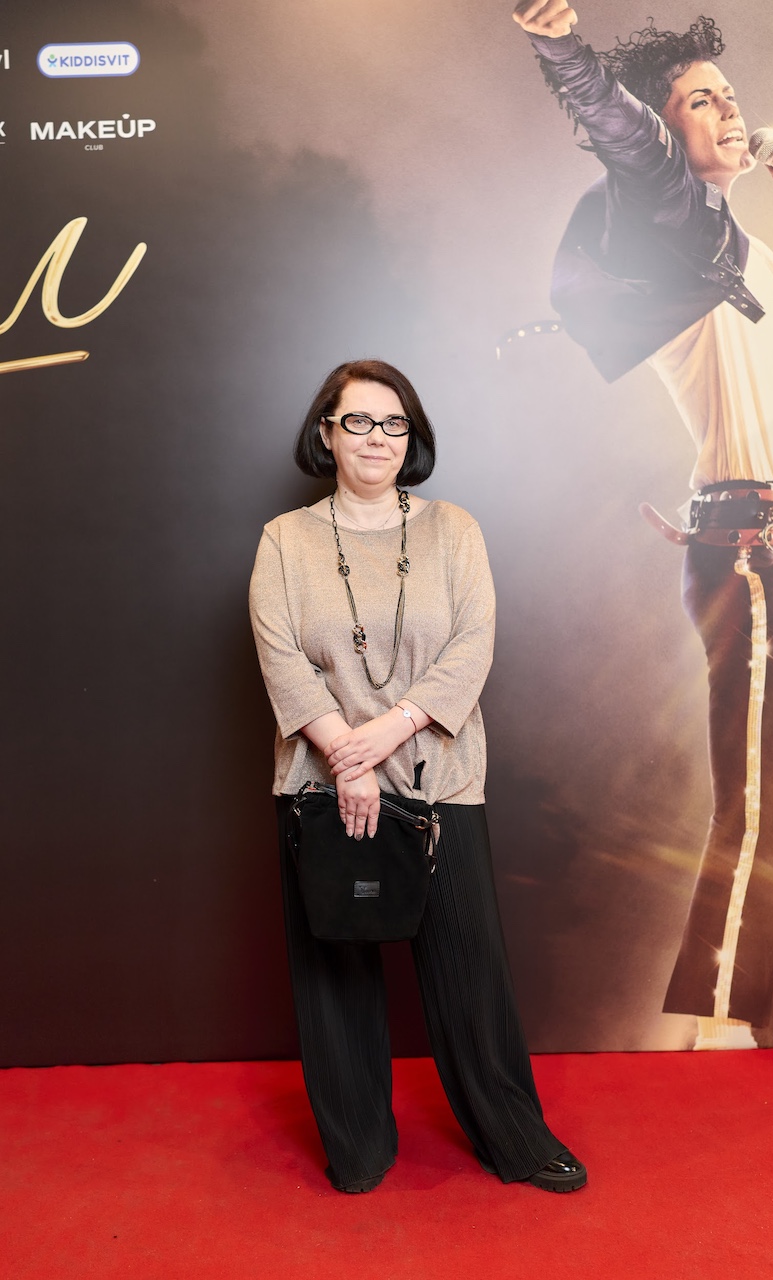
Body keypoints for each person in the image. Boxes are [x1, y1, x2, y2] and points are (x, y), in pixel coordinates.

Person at [512, 3, 773, 1048]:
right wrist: (566, 55)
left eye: (730, 95)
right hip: (753, 546)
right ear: (667, 129)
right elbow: (629, 142)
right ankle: (719, 1028)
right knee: (758, 799)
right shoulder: (680, 229)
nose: (728, 111)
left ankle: (770, 1014)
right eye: (700, 100)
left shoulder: (745, 253)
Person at [249, 358, 586, 1191]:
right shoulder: (286, 540)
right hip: (322, 788)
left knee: (470, 971)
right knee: (335, 970)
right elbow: (281, 656)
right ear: (326, 432)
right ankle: (358, 1145)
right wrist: (345, 756)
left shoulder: (454, 531)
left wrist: (386, 733)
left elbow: (474, 643)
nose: (378, 438)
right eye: (358, 421)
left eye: (394, 423)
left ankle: (514, 1136)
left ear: (413, 437)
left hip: (440, 780)